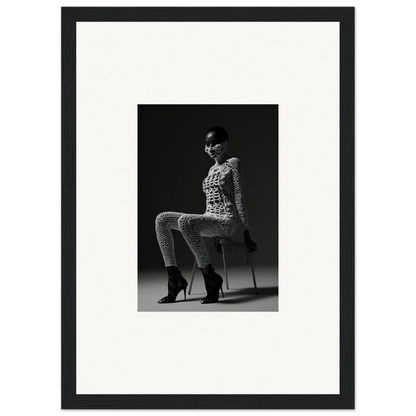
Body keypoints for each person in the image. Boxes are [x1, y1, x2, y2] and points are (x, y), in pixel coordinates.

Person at [155, 126, 257, 304]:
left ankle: (210, 277)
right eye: (207, 144)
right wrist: (206, 225)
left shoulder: (233, 163)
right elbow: (210, 204)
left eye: (215, 143)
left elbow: (239, 196)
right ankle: (175, 279)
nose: (210, 148)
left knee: (186, 221)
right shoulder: (211, 170)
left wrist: (246, 232)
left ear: (225, 143)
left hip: (226, 221)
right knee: (162, 218)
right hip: (209, 218)